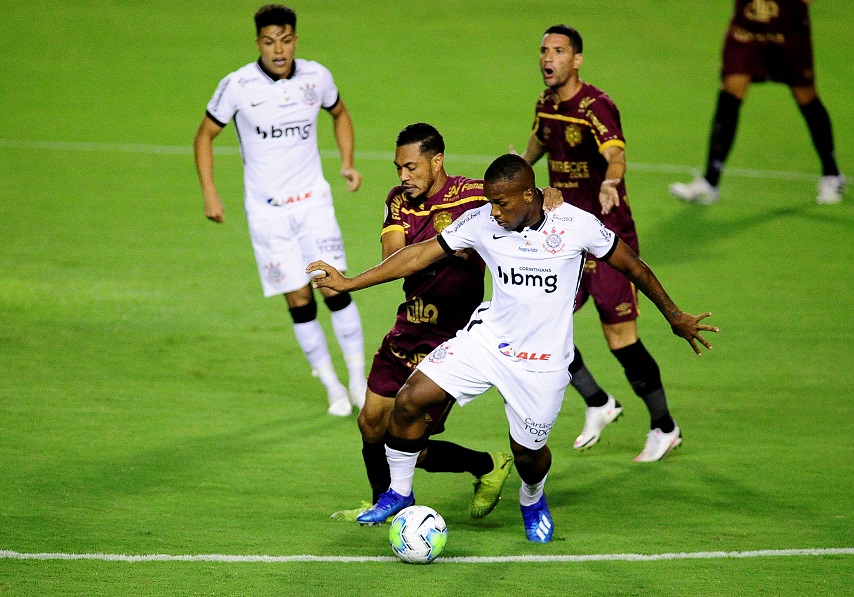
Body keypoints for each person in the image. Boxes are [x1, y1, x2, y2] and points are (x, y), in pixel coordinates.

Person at [308, 154, 718, 542]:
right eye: (490, 203)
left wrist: (674, 314)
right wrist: (348, 282)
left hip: (542, 363)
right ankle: (399, 493)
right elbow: (417, 255)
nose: (495, 212)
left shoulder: (576, 224)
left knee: (528, 454)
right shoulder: (483, 220)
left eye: (501, 203)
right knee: (411, 399)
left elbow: (633, 265)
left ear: (529, 195)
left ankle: (532, 498)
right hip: (487, 342)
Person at [330, 123, 563, 523]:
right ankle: (381, 504)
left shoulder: (475, 196)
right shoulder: (398, 201)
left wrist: (552, 193)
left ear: (436, 161)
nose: (403, 177)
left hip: (451, 338)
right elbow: (394, 256)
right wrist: (446, 247)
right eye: (398, 168)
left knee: (407, 442)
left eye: (411, 167)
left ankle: (487, 465)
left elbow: (528, 201)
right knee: (370, 423)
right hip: (410, 325)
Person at [515, 24, 684, 461]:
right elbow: (541, 136)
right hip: (561, 237)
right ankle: (597, 401)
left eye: (558, 51)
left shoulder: (597, 105)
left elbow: (616, 152)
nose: (547, 58)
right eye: (543, 50)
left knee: (620, 338)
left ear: (577, 59)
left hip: (606, 237)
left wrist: (611, 180)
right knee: (541, 326)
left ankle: (665, 427)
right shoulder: (546, 103)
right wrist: (520, 165)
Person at [193, 4, 367, 416]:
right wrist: (210, 193)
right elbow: (204, 137)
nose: (279, 49)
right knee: (298, 298)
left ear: (295, 40)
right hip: (267, 213)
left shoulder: (316, 77)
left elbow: (339, 113)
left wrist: (347, 161)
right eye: (270, 41)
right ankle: (331, 386)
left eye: (286, 40)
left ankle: (358, 381)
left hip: (313, 204)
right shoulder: (237, 85)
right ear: (258, 43)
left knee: (333, 287)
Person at [669, 0, 844, 205]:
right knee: (731, 90)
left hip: (788, 29)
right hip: (747, 30)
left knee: (805, 95)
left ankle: (832, 174)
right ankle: (710, 182)